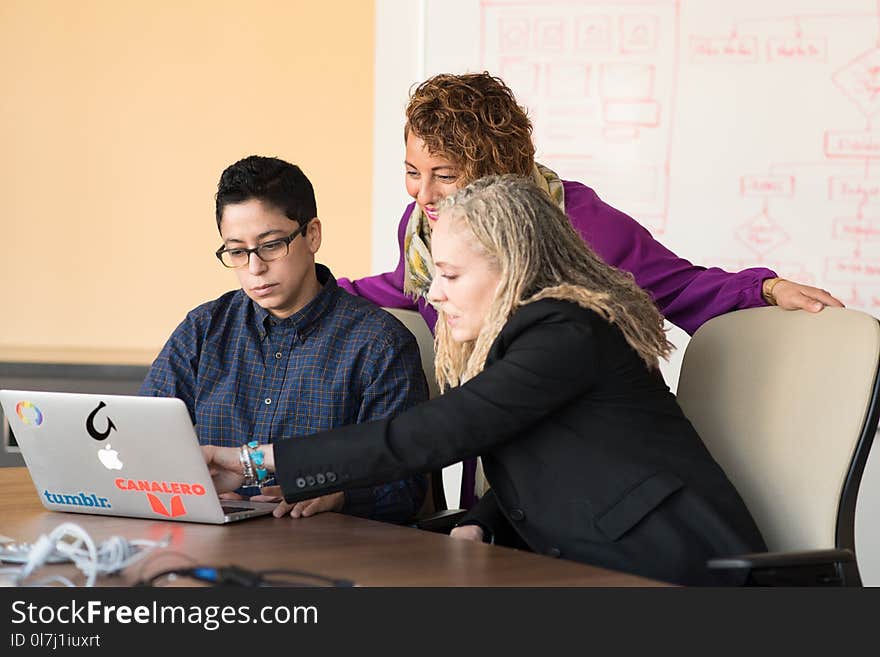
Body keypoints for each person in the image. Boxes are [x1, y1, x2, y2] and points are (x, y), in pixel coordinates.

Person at [203, 175, 767, 586]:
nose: (435, 293)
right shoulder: (530, 337)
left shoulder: (566, 330)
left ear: (513, 264)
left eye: (448, 275)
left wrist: (255, 461)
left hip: (678, 572)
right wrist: (479, 524)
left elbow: (435, 433)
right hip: (589, 568)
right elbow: (551, 463)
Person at [336, 71, 844, 508]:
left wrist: (768, 290)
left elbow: (679, 286)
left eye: (443, 175)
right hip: (501, 460)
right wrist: (317, 291)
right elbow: (410, 289)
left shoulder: (581, 223)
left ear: (494, 169)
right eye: (411, 172)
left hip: (587, 470)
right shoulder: (425, 227)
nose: (423, 193)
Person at [140, 155, 429, 523]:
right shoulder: (204, 329)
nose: (255, 267)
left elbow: (405, 488)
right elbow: (145, 439)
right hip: (212, 544)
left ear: (312, 235)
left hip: (328, 552)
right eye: (236, 251)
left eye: (271, 245)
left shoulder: (379, 344)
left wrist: (340, 495)